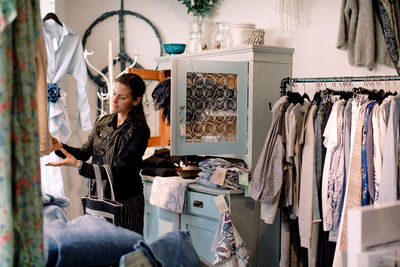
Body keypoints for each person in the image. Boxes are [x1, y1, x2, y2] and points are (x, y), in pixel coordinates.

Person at [46, 73, 150, 234]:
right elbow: (84, 152)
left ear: (136, 101)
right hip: (98, 195)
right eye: (114, 93)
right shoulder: (103, 121)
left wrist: (78, 165)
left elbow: (120, 170)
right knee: (99, 246)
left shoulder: (138, 131)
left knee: (125, 248)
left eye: (122, 97)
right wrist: (59, 147)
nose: (114, 100)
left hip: (125, 199)